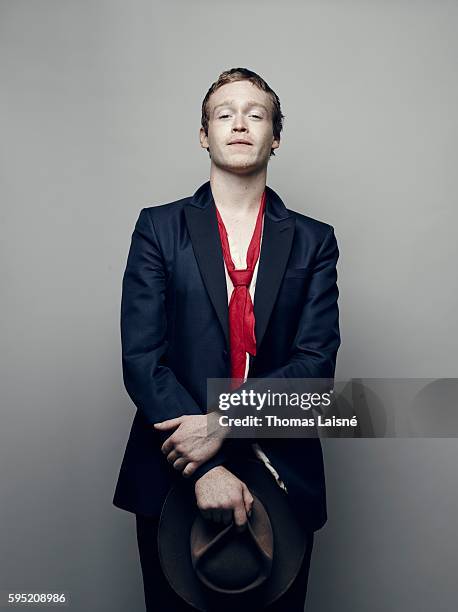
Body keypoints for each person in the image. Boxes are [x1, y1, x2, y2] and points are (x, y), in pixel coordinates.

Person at [113, 67, 341, 611]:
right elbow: (143, 359)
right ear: (204, 134)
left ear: (275, 137)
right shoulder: (157, 227)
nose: (240, 124)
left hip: (281, 474)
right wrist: (205, 467)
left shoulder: (314, 241)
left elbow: (316, 368)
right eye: (224, 114)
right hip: (173, 473)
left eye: (256, 114)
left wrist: (222, 423)